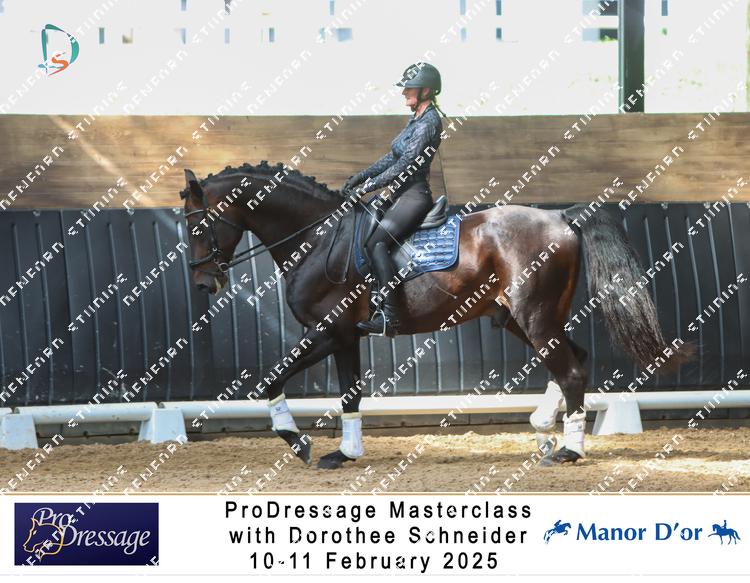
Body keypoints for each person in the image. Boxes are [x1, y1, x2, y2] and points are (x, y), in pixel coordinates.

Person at [343, 62, 446, 336]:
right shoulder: (416, 120)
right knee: (366, 237)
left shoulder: (430, 122)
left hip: (414, 196)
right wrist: (360, 177)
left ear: (425, 91)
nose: (404, 93)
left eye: (409, 88)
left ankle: (391, 316)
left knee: (377, 243)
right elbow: (392, 157)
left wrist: (368, 187)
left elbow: (406, 165)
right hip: (399, 195)